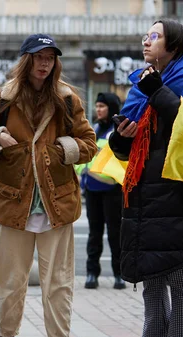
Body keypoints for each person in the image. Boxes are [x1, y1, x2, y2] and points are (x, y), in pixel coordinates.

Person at [0, 34, 96, 337]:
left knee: (58, 284)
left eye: (50, 57)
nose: (44, 63)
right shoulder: (3, 98)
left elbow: (89, 143)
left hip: (56, 205)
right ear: (25, 60)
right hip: (12, 203)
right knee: (8, 281)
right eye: (38, 57)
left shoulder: (66, 98)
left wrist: (65, 148)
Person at [109, 20, 183, 337]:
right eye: (146, 35)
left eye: (154, 35)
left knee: (181, 277)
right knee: (152, 279)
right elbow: (135, 142)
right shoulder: (144, 82)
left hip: (178, 191)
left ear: (174, 42)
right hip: (143, 193)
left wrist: (158, 91)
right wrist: (122, 137)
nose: (146, 40)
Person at [80, 92, 125, 290]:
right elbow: (83, 160)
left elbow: (122, 161)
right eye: (97, 106)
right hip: (92, 189)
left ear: (112, 108)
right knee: (94, 234)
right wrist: (83, 177)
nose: (98, 109)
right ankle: (92, 273)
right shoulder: (94, 130)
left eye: (102, 106)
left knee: (116, 234)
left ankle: (119, 275)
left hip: (113, 190)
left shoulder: (118, 133)